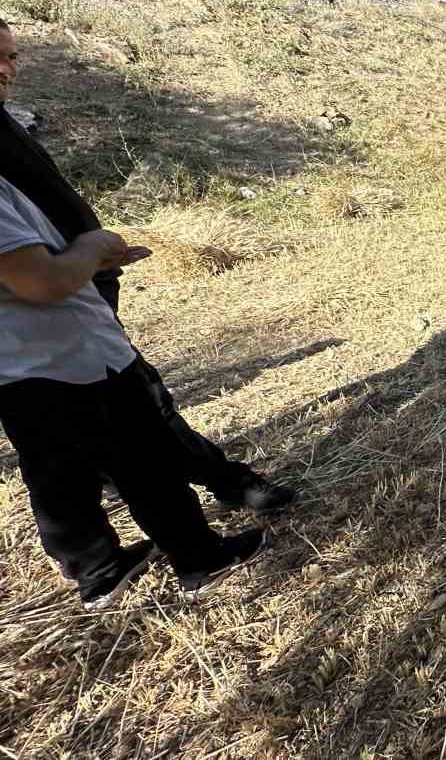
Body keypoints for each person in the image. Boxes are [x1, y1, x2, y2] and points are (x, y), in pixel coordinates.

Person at [0, 19, 294, 512]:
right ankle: (222, 491)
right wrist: (81, 259)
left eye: (12, 57)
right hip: (41, 307)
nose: (7, 69)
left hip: (78, 285)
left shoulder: (3, 119)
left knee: (110, 413)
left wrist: (93, 254)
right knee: (137, 404)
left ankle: (119, 517)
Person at [0, 170, 268, 609]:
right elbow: (41, 281)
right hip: (71, 355)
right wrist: (92, 247)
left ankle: (101, 574)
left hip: (17, 367)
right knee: (146, 460)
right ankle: (200, 559)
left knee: (57, 474)